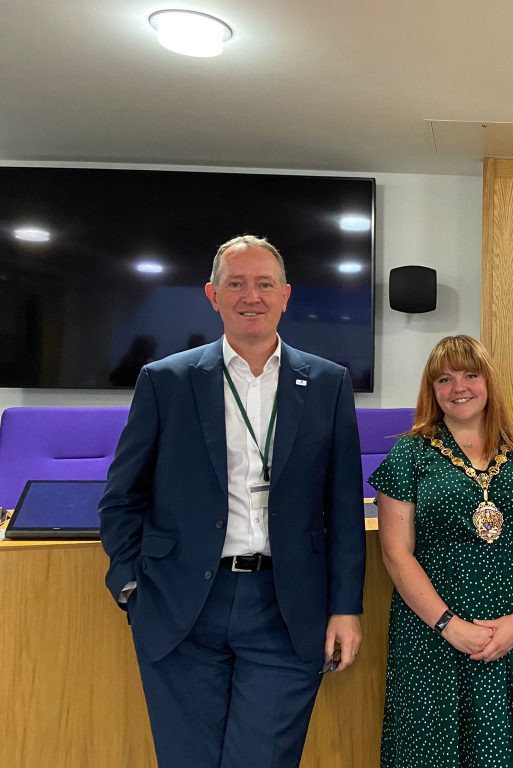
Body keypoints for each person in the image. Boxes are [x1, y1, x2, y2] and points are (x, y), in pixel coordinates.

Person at [99, 234, 366, 767]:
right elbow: (122, 496)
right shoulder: (166, 381)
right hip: (181, 607)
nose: (252, 296)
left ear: (286, 295)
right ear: (212, 294)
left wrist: (344, 607)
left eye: (265, 284)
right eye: (236, 284)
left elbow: (342, 507)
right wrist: (131, 585)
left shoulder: (328, 383)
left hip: (285, 608)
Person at [369, 335, 513, 767]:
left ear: (488, 381)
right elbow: (395, 554)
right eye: (445, 378)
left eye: (470, 375)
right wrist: (450, 626)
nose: (459, 387)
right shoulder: (409, 454)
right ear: (432, 389)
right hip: (434, 633)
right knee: (434, 749)